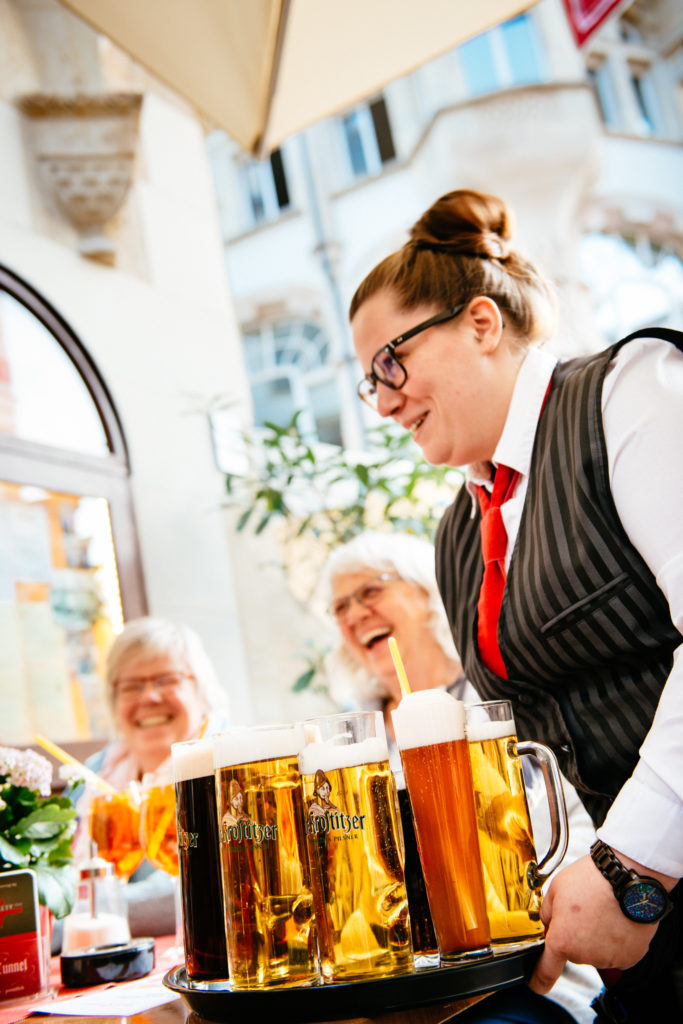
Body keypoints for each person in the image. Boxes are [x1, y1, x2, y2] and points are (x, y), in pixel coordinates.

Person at [349, 190, 682, 1021]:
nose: (383, 401)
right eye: (368, 384)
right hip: (636, 938)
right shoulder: (457, 535)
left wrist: (632, 865)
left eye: (390, 361)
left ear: (482, 324)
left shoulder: (629, 394)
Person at [320, 530, 602, 1024]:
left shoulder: (498, 706)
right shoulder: (344, 747)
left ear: (425, 592)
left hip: (516, 982)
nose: (354, 614)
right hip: (391, 989)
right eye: (340, 607)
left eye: (370, 591)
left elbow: (571, 829)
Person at [72, 615, 229, 938]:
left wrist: (78, 917)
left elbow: (202, 883)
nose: (149, 698)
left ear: (200, 688)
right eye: (131, 686)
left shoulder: (231, 763)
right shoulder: (92, 779)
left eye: (165, 680)